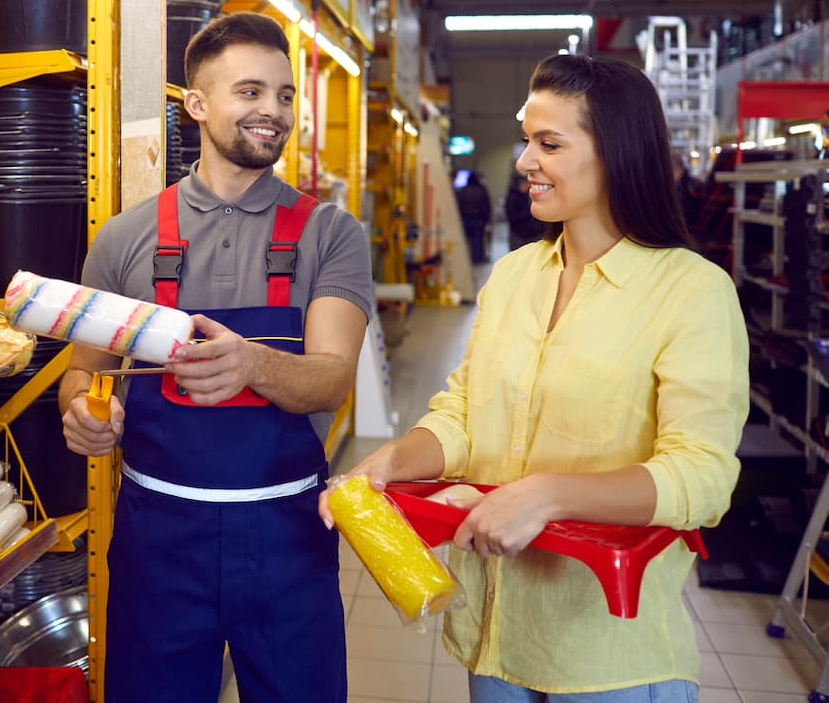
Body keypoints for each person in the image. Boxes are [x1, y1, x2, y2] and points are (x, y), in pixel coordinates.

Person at [320, 54, 748, 701]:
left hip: (607, 655)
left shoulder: (690, 291)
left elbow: (703, 478)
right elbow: (463, 415)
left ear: (618, 156)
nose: (524, 162)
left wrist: (547, 495)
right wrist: (387, 464)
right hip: (493, 635)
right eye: (527, 141)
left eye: (549, 144)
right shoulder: (518, 275)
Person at [59, 12, 373, 702]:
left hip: (287, 534)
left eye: (286, 96)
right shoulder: (126, 239)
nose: (274, 112)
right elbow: (86, 371)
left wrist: (254, 366)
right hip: (160, 541)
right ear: (196, 105)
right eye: (251, 92)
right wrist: (84, 411)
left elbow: (333, 378)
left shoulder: (330, 234)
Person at [455, 171, 493, 263]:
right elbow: (486, 206)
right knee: (478, 240)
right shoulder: (481, 190)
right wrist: (487, 219)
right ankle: (478, 258)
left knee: (467, 240)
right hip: (478, 219)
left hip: (465, 218)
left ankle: (467, 259)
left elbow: (459, 205)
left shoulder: (463, 191)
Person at [504, 172, 545, 250]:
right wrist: (530, 212)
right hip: (519, 234)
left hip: (533, 234)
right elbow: (513, 217)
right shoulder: (513, 197)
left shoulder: (529, 195)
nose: (529, 186)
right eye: (527, 183)